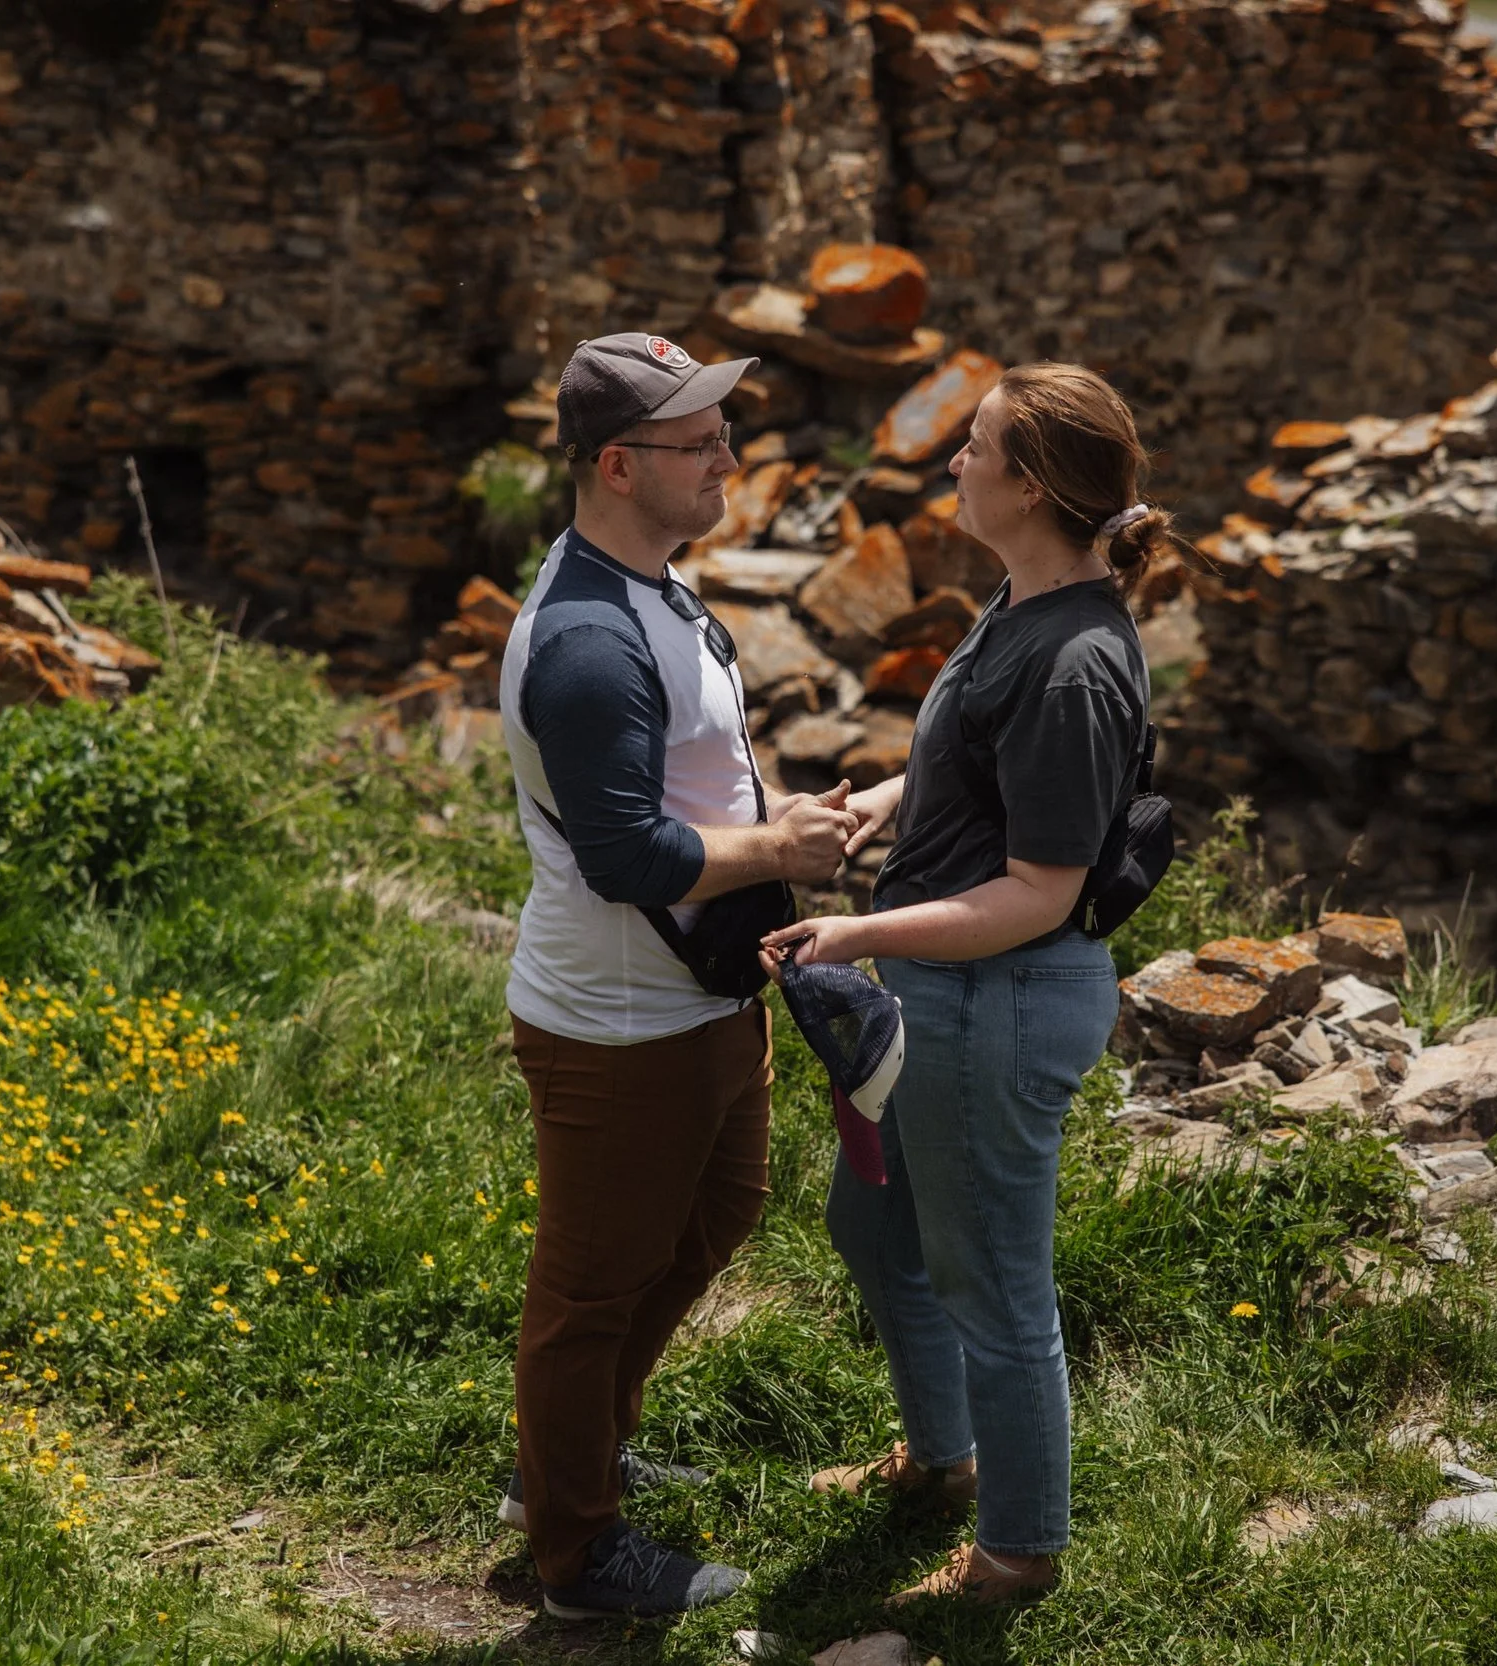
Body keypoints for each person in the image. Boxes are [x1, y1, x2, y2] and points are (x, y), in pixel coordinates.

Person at [762, 363, 1198, 1605]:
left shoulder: (1075, 664)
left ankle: (1015, 1552)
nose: (951, 459)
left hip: (999, 997)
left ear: (1031, 484)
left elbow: (1038, 895)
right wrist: (883, 806)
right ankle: (943, 1463)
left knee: (992, 1281)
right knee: (877, 1227)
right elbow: (971, 768)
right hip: (946, 985)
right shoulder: (1024, 597)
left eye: (977, 445)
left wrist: (854, 934)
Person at [497, 332, 862, 1620]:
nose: (729, 453)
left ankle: (572, 1454)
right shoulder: (590, 638)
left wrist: (777, 831)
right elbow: (619, 856)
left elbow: (685, 785)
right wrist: (782, 846)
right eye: (698, 438)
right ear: (615, 463)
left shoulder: (653, 580)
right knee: (589, 1288)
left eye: (723, 426)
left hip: (700, 992)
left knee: (710, 1222)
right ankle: (575, 1558)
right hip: (619, 1020)